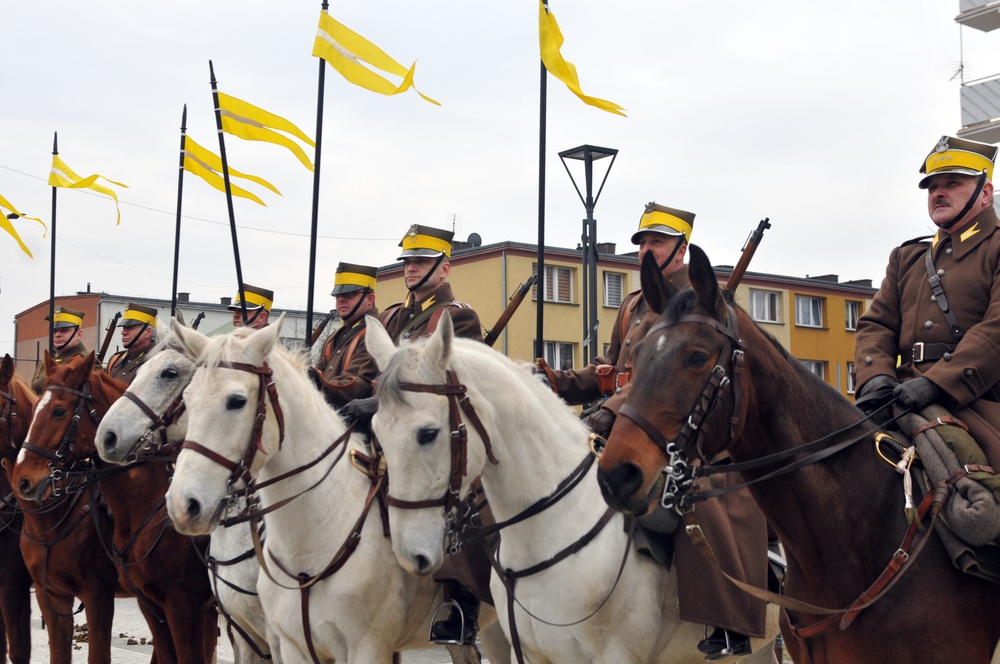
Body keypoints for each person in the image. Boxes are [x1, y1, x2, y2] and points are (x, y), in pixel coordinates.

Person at [536, 202, 769, 658]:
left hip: (683, 426)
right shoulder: (634, 302)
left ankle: (727, 620)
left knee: (705, 494)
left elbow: (667, 379)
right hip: (628, 419)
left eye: (656, 242)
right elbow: (613, 370)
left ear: (681, 251)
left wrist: (612, 411)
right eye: (642, 242)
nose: (645, 249)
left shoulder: (698, 301)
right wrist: (559, 383)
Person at [349, 224, 485, 646]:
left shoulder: (457, 315)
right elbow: (373, 374)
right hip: (387, 427)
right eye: (407, 261)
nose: (410, 269)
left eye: (421, 262)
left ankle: (461, 600)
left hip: (434, 429)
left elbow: (445, 380)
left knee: (458, 500)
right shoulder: (390, 315)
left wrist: (374, 404)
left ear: (444, 269)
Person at [856, 135, 1000, 471]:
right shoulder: (908, 258)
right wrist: (875, 376)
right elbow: (876, 325)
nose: (938, 192)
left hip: (976, 401)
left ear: (985, 193)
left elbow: (995, 330)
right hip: (898, 393)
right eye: (932, 186)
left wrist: (938, 384)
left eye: (952, 183)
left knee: (979, 499)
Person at [310, 263, 380, 409]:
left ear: (370, 299)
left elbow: (359, 385)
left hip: (356, 422)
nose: (341, 299)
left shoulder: (375, 334)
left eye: (349, 294)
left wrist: (319, 383)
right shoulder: (334, 337)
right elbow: (319, 372)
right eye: (337, 295)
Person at [31, 305, 101, 394]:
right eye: (54, 331)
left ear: (79, 334)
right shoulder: (44, 363)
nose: (57, 335)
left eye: (64, 330)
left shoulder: (86, 361)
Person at [105, 303, 159, 385]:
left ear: (148, 332)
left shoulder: (157, 361)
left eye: (130, 328)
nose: (123, 332)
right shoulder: (115, 360)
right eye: (124, 328)